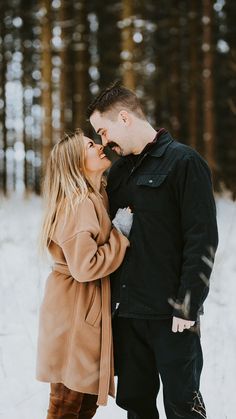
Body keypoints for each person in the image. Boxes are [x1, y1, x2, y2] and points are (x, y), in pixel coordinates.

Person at [87, 82, 219, 419]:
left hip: (172, 317)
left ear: (125, 118)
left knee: (182, 405)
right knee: (136, 405)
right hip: (127, 316)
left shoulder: (184, 162)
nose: (105, 142)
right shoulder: (117, 174)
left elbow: (201, 240)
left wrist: (188, 305)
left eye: (104, 131)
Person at [36, 129, 133, 418]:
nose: (101, 146)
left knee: (82, 406)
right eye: (91, 145)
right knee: (67, 405)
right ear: (76, 162)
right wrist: (120, 234)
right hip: (73, 316)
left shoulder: (95, 196)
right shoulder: (79, 203)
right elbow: (85, 266)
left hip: (79, 312)